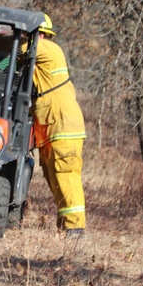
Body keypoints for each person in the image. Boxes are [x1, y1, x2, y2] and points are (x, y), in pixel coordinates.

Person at [31, 14, 87, 236]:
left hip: (63, 125)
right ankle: (66, 226)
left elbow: (16, 47)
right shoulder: (40, 56)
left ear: (40, 34)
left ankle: (75, 229)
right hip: (52, 127)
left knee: (65, 174)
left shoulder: (46, 48)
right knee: (54, 175)